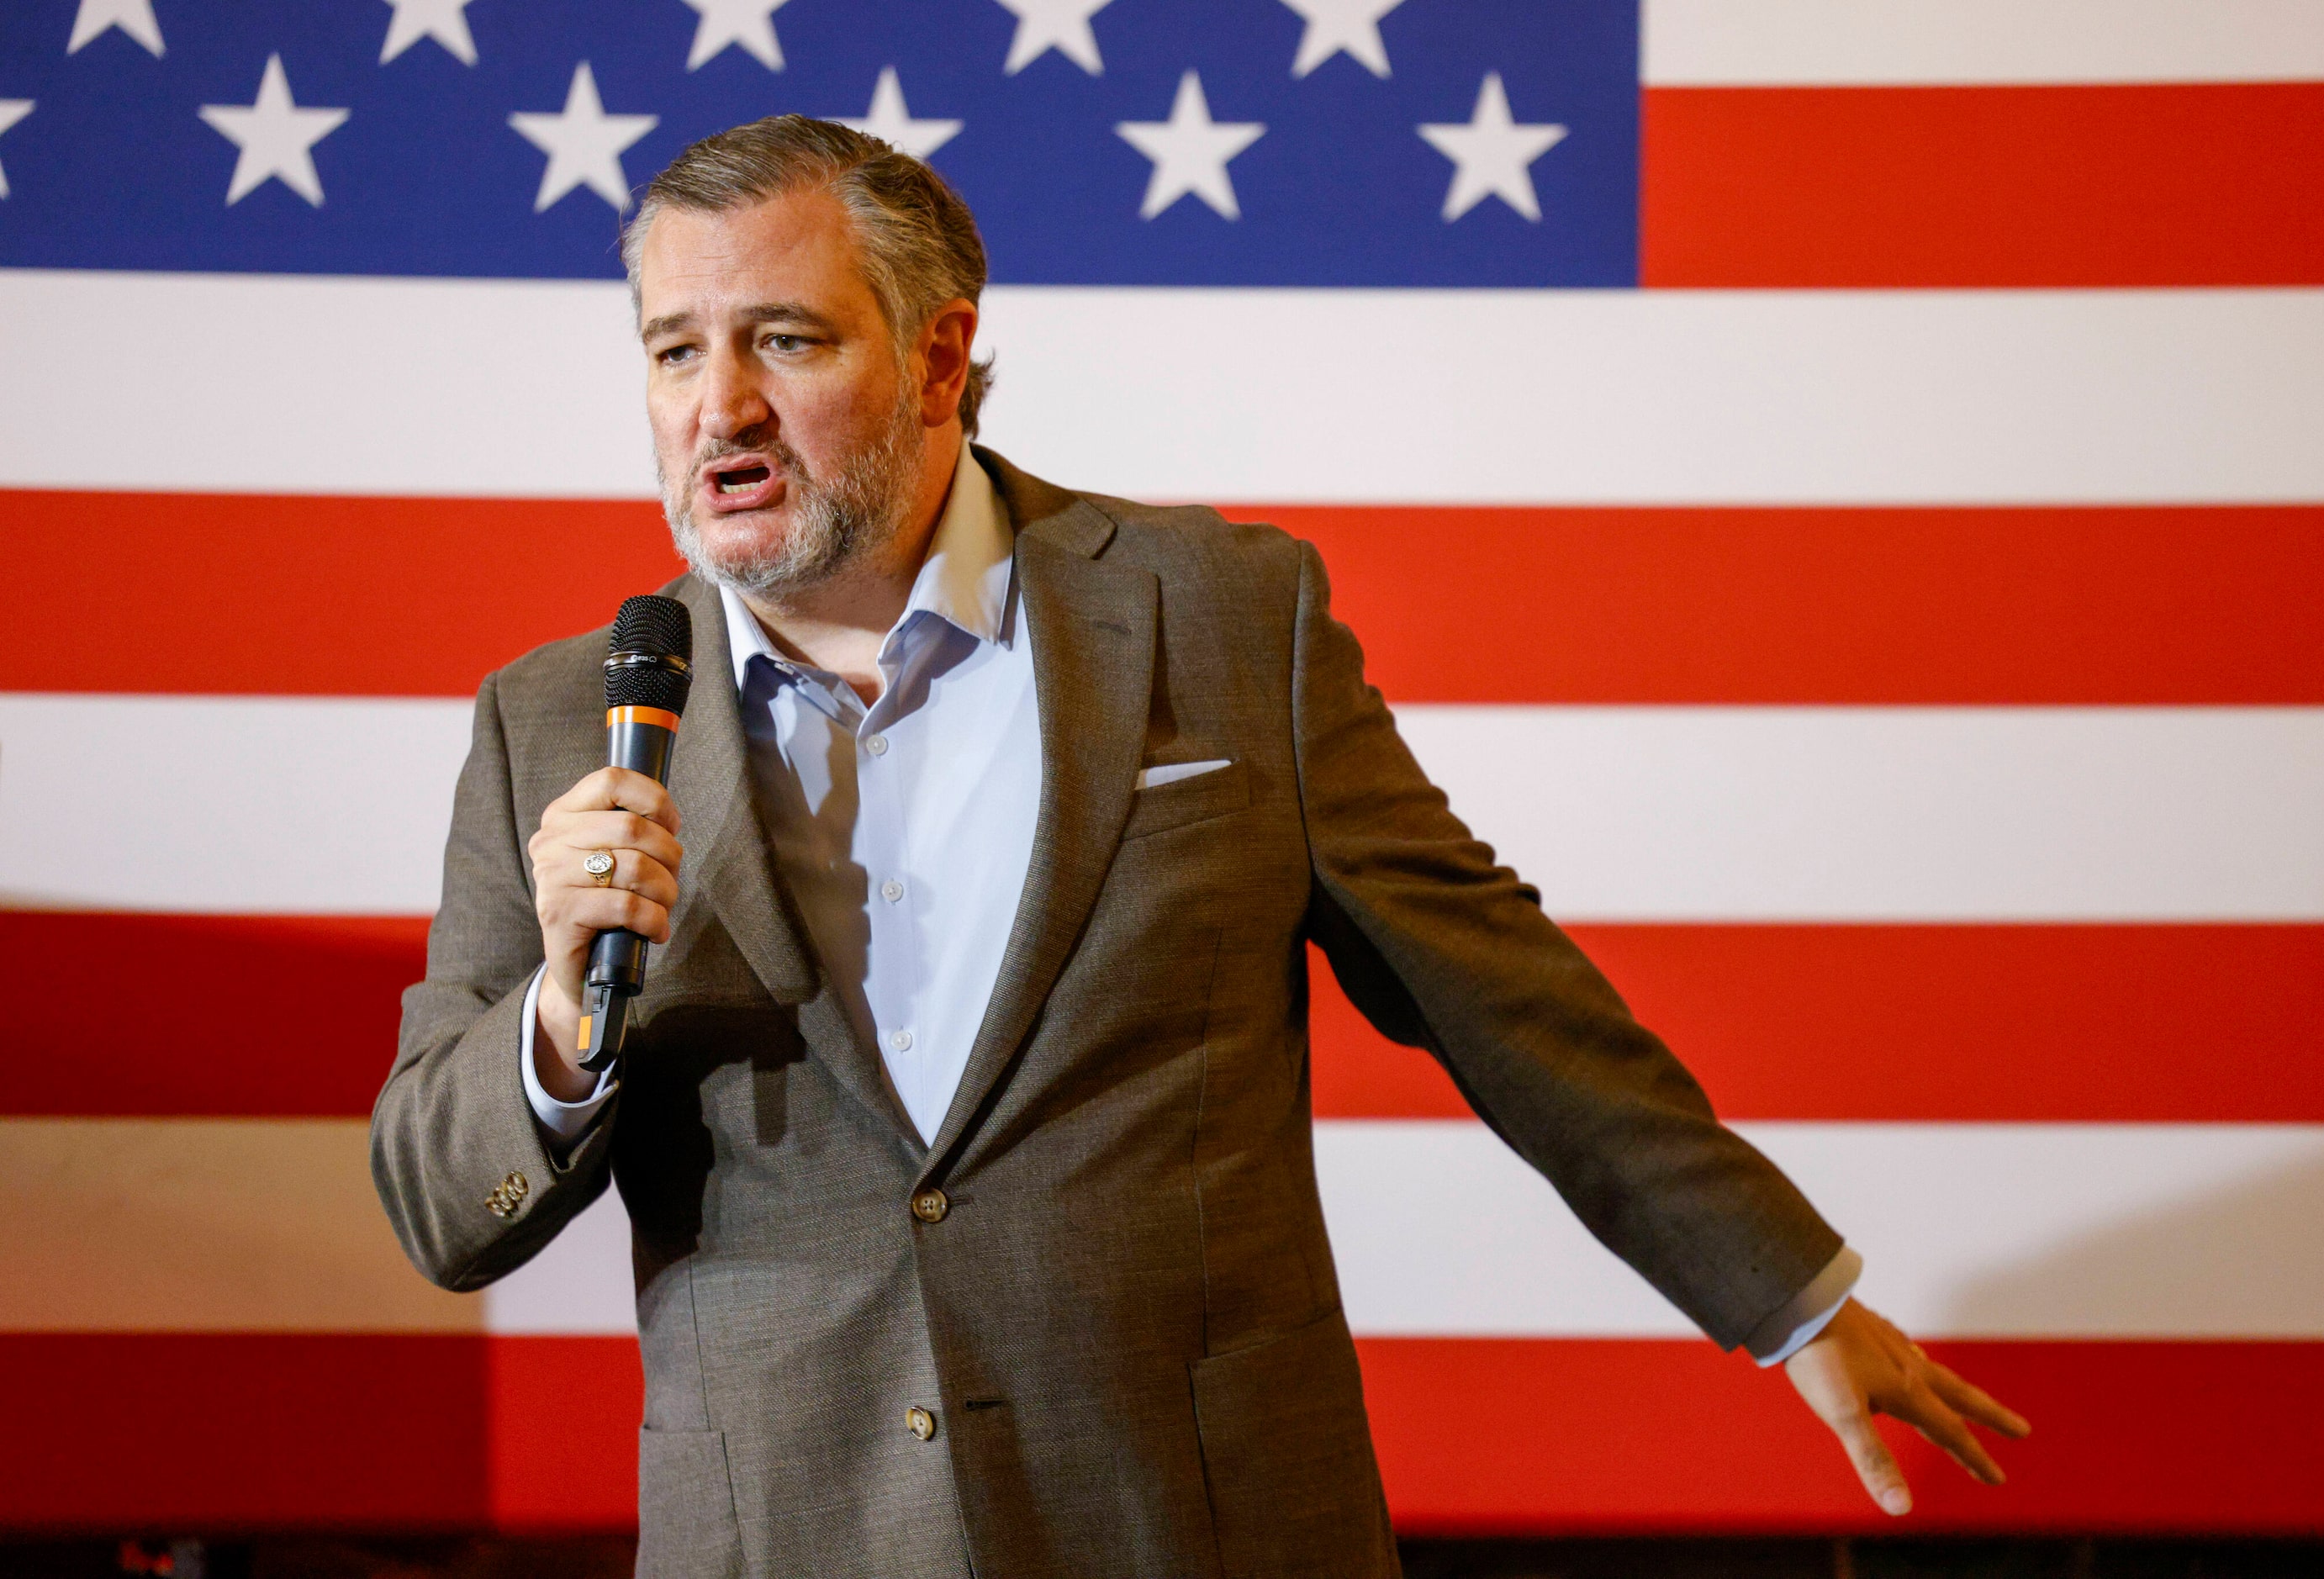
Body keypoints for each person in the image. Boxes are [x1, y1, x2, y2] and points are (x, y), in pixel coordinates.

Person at [372, 115, 2027, 1579]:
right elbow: (442, 1209)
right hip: (793, 1534)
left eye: (781, 339)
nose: (715, 410)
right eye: (672, 353)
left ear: (941, 360)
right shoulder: (560, 723)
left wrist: (1787, 1294)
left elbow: (1495, 990)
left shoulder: (1219, 618)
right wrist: (564, 1032)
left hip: (1192, 1528)